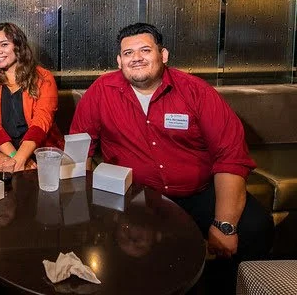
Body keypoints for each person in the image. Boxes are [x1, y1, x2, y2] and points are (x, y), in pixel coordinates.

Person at [69, 22, 273, 289]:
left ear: (163, 55)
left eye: (145, 50)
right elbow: (80, 146)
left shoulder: (196, 91)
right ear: (119, 61)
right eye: (128, 53)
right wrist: (77, 207)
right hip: (135, 195)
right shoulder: (101, 91)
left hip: (197, 193)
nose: (136, 58)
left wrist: (225, 225)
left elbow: (231, 157)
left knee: (256, 228)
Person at [0, 22, 63, 174]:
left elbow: (42, 119)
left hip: (37, 145)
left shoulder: (44, 77)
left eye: (4, 44)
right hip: (1, 146)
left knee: (27, 173)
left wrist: (22, 156)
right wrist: (16, 157)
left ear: (18, 46)